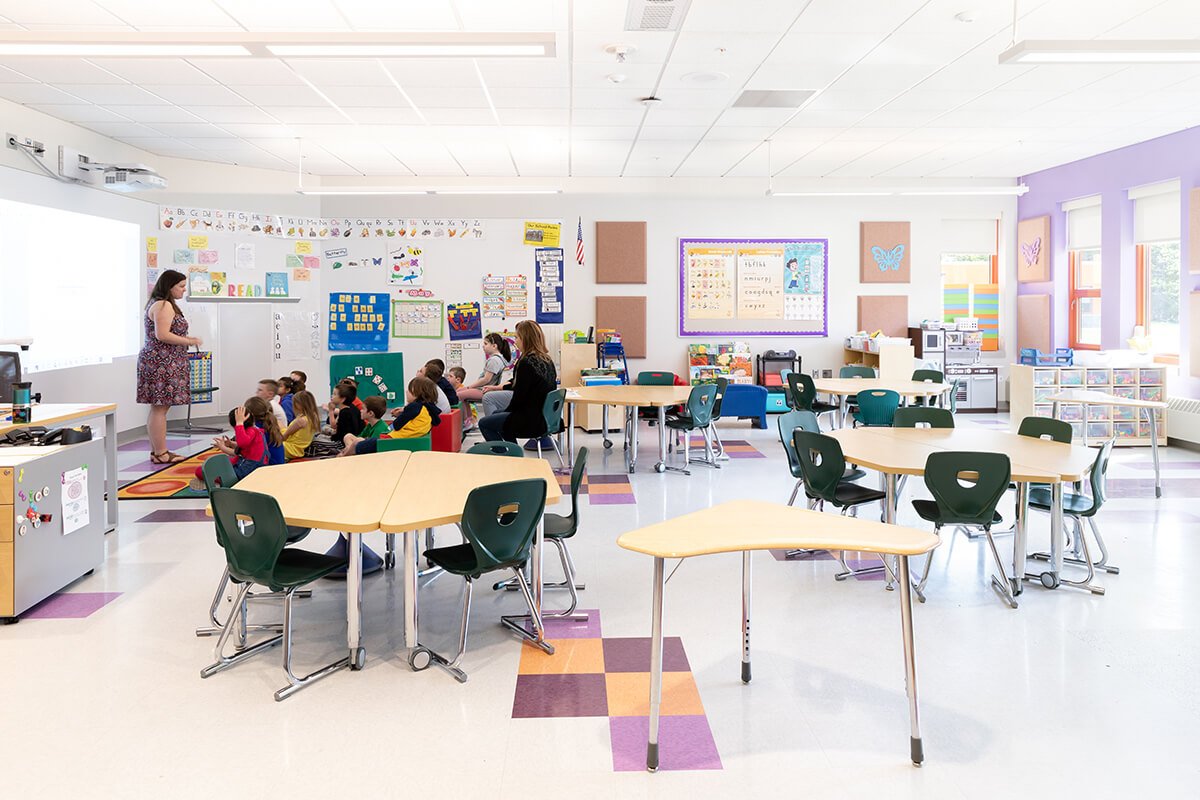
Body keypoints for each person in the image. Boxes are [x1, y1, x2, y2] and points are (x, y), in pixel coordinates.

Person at [137, 269, 201, 464]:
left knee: (159, 408)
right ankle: (161, 452)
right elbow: (162, 335)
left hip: (162, 361)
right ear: (169, 286)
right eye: (181, 286)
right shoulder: (163, 305)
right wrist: (189, 340)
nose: (184, 290)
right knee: (160, 409)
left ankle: (158, 451)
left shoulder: (162, 304)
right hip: (161, 363)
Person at [479, 320, 557, 444]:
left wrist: (508, 412)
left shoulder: (526, 362)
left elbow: (519, 398)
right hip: (544, 416)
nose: (515, 341)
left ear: (525, 339)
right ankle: (512, 451)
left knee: (484, 423)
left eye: (516, 337)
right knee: (496, 415)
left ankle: (507, 455)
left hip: (531, 418)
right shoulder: (546, 359)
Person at [198, 396, 281, 481]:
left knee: (202, 471)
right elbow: (248, 448)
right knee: (227, 462)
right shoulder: (256, 430)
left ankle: (221, 477)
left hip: (251, 469)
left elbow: (242, 445)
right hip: (259, 466)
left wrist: (239, 424)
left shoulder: (253, 430)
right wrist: (231, 444)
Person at [352, 377, 442, 455]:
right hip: (408, 440)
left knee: (358, 445)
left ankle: (341, 456)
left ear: (417, 393)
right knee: (357, 442)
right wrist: (404, 411)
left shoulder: (415, 407)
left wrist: (399, 417)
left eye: (409, 390)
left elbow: (397, 425)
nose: (406, 392)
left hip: (396, 440)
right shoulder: (428, 409)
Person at [453, 332, 510, 431]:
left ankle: (467, 422)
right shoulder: (498, 359)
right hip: (486, 389)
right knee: (460, 393)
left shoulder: (494, 360)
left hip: (486, 390)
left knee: (458, 395)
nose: (483, 346)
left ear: (494, 346)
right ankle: (470, 421)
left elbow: (486, 379)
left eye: (485, 344)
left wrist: (469, 387)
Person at [281, 389, 320, 461]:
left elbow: (284, 437)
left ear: (299, 404)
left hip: (291, 449)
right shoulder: (313, 417)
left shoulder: (300, 421)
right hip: (298, 449)